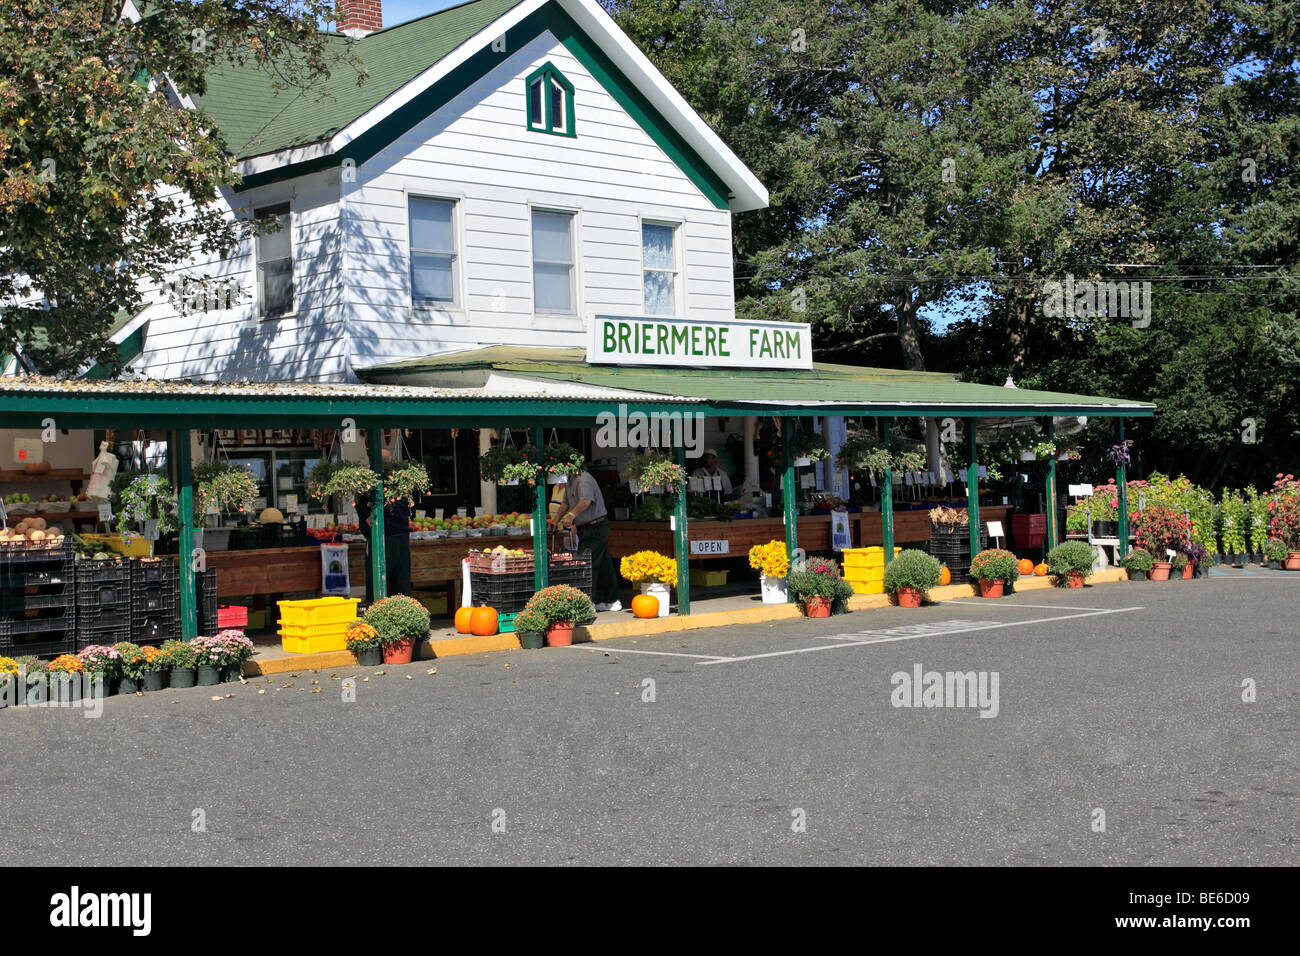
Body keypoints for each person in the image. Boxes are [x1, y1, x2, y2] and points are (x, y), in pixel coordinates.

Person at [553, 469, 620, 612]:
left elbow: (586, 501)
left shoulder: (583, 478)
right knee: (603, 563)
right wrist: (556, 519)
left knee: (588, 563)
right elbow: (565, 502)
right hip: (585, 528)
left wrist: (571, 515)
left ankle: (587, 601)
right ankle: (611, 600)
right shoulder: (569, 481)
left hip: (596, 526)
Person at [357, 489, 412, 598]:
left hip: (389, 534)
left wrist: (367, 517)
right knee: (396, 586)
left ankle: (388, 611)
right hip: (390, 534)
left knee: (386, 587)